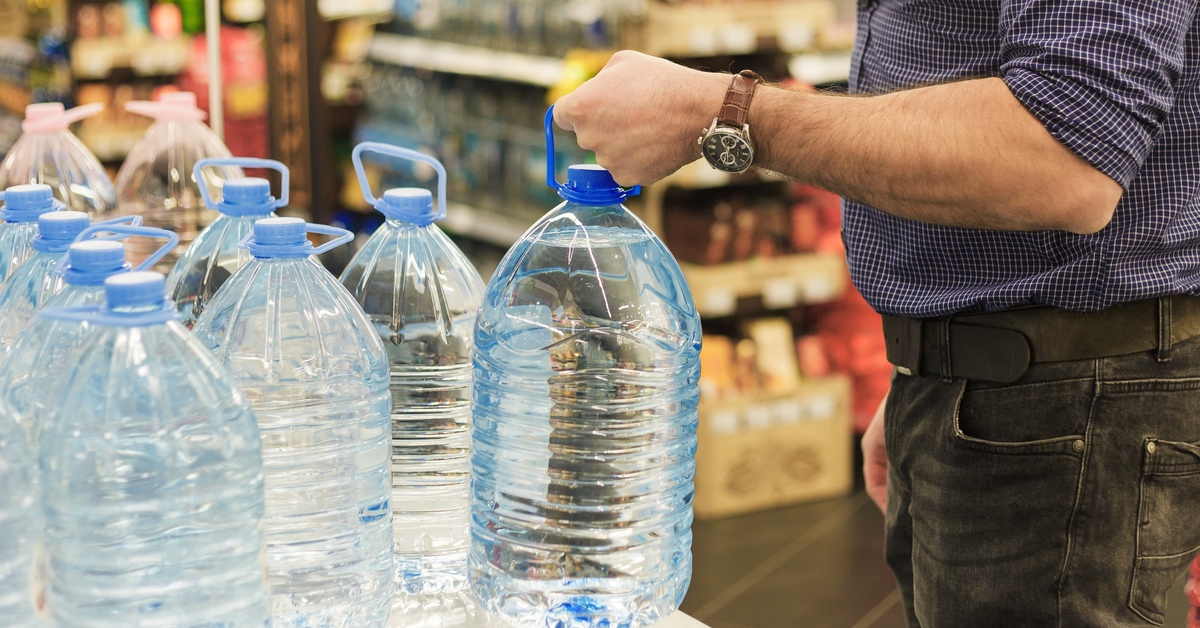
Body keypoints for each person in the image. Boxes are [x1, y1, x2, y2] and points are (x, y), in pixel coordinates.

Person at [551, 1, 1200, 626]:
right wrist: (937, 357)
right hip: (1000, 374)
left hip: (1065, 397)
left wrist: (724, 113)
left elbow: (1065, 155)